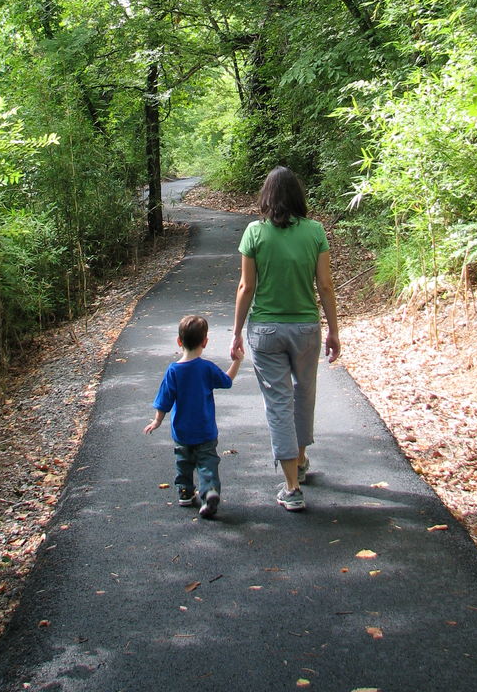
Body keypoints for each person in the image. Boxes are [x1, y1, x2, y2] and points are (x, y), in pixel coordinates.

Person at [230, 166, 340, 511]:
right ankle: (301, 463)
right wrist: (334, 330)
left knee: (278, 402)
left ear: (267, 196)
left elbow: (247, 286)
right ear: (298, 196)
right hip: (306, 328)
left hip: (265, 331)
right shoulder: (315, 231)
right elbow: (325, 285)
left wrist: (236, 333)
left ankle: (292, 486)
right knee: (304, 394)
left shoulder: (254, 232)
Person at [145, 314, 243, 519]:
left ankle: (185, 492)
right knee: (207, 462)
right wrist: (237, 361)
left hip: (181, 431)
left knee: (183, 461)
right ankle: (209, 492)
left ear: (179, 342)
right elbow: (226, 381)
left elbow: (164, 400)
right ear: (205, 342)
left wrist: (157, 420)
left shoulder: (173, 371)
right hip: (205, 430)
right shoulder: (206, 368)